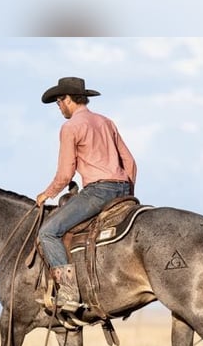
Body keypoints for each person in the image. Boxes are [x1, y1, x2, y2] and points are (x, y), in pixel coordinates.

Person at [36, 76, 137, 311]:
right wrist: (127, 194)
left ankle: (69, 293)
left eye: (59, 103)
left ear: (67, 99)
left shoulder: (70, 127)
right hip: (122, 189)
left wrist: (46, 194)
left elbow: (65, 173)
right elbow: (130, 163)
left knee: (48, 232)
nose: (59, 108)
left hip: (98, 191)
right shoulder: (106, 122)